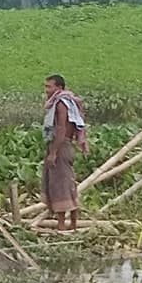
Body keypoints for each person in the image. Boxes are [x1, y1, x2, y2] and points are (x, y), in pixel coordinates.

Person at [41, 75, 89, 232]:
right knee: (68, 184)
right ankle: (73, 223)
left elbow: (61, 129)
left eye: (49, 87)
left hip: (61, 146)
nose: (46, 90)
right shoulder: (69, 102)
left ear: (59, 88)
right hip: (65, 146)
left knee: (60, 186)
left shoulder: (61, 104)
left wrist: (53, 152)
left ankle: (62, 225)